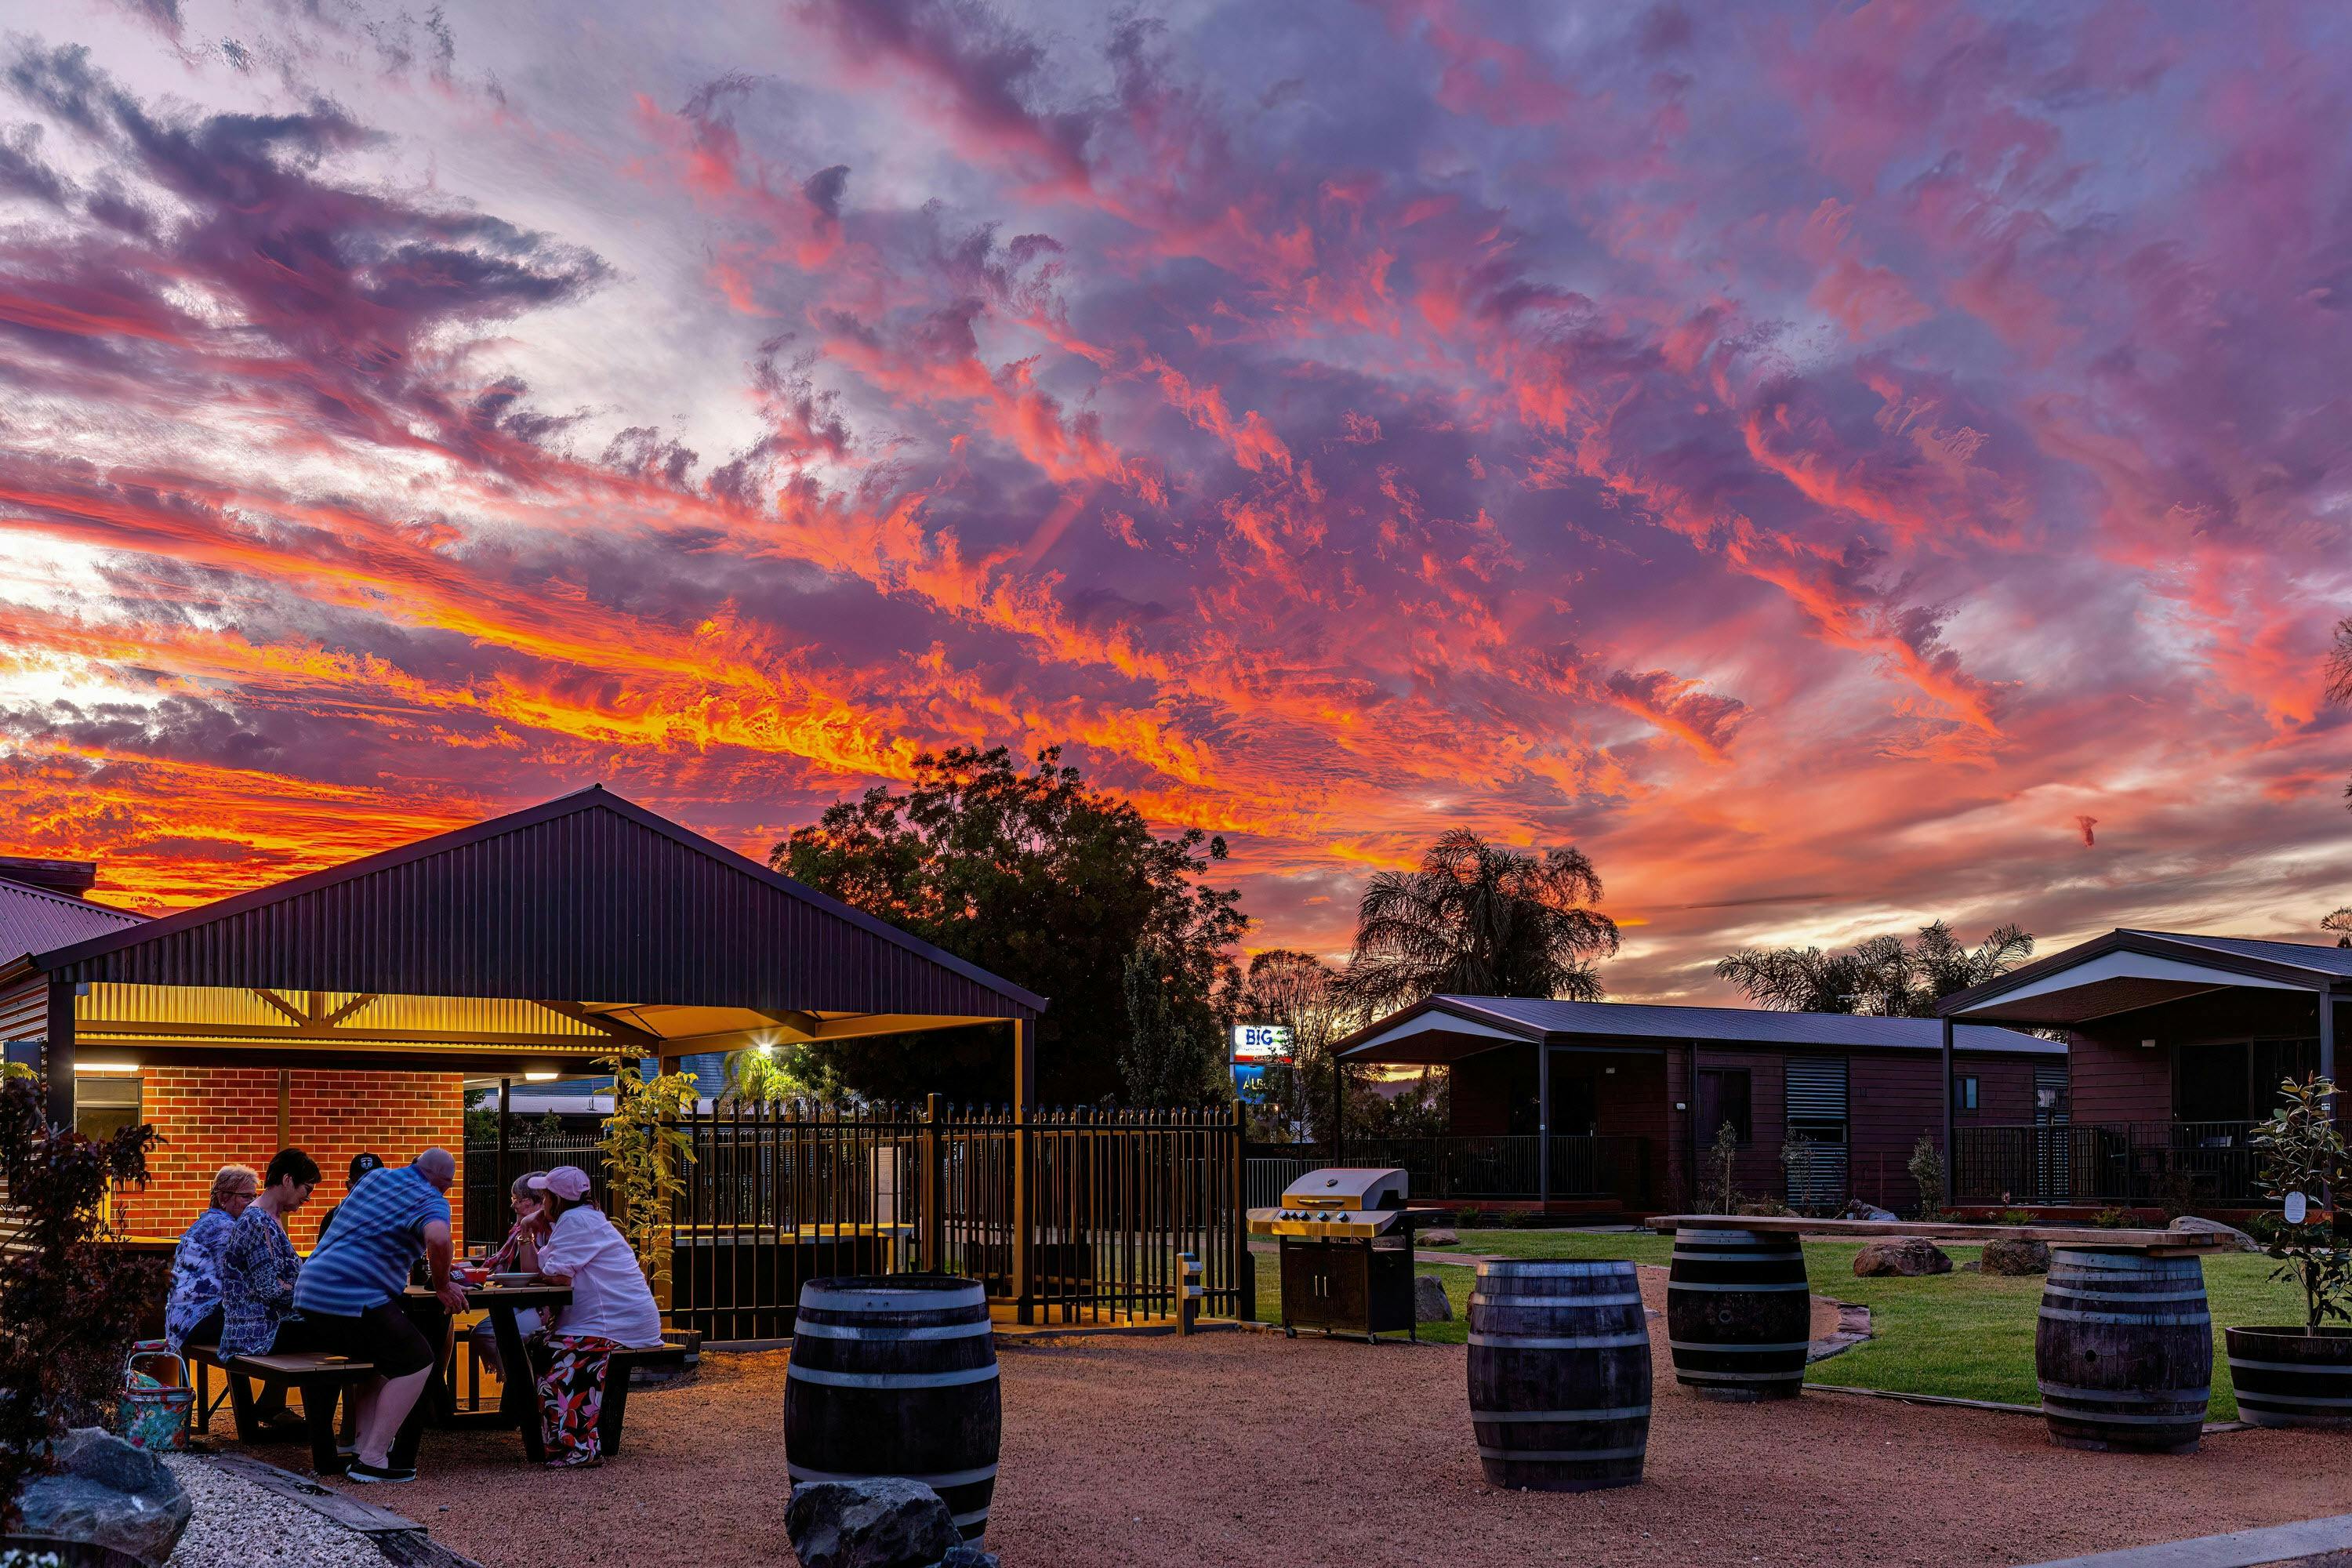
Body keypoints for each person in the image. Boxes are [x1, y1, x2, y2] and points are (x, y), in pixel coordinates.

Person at [292, 1147, 466, 1483]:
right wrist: (443, 1285)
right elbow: (439, 1238)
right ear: (439, 1180)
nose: (444, 1192)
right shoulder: (430, 1199)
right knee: (417, 1360)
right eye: (447, 1185)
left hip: (311, 1292)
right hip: (354, 1297)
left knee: (381, 1359)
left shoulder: (373, 1178)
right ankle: (373, 1461)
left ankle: (361, 1446)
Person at [526, 1166, 662, 1469]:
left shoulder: (576, 1221)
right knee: (545, 1351)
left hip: (612, 1323)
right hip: (615, 1320)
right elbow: (554, 1265)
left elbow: (556, 1276)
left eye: (545, 1195)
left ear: (556, 1199)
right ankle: (569, 1443)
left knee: (556, 1363)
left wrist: (529, 1232)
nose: (542, 1200)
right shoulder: (583, 1219)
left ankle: (580, 1447)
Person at [220, 1149, 321, 1426]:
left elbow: (281, 1282)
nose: (308, 1197)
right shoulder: (257, 1221)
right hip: (257, 1330)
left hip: (263, 1323)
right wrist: (313, 1295)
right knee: (337, 1332)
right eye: (307, 1189)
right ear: (288, 1180)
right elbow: (270, 1289)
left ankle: (274, 1404)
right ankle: (325, 1430)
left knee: (338, 1328)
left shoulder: (269, 1220)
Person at [164, 1165, 258, 1354]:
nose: (253, 1203)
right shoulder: (224, 1228)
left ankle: (244, 1384)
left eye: (255, 1197)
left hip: (182, 1322)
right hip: (200, 1320)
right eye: (246, 1196)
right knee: (273, 1329)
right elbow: (236, 1279)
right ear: (223, 1198)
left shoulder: (207, 1221)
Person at [468, 1171, 549, 1379]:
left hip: (545, 1306)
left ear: (530, 1202)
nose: (512, 1206)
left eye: (516, 1200)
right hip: (521, 1301)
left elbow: (535, 1271)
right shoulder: (520, 1229)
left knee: (491, 1335)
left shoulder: (545, 1229)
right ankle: (519, 1390)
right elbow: (499, 1264)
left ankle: (523, 1389)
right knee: (484, 1332)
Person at [310, 1151, 386, 1247]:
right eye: (360, 1183)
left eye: (374, 1182)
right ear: (349, 1185)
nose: (367, 1188)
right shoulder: (334, 1218)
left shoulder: (400, 1217)